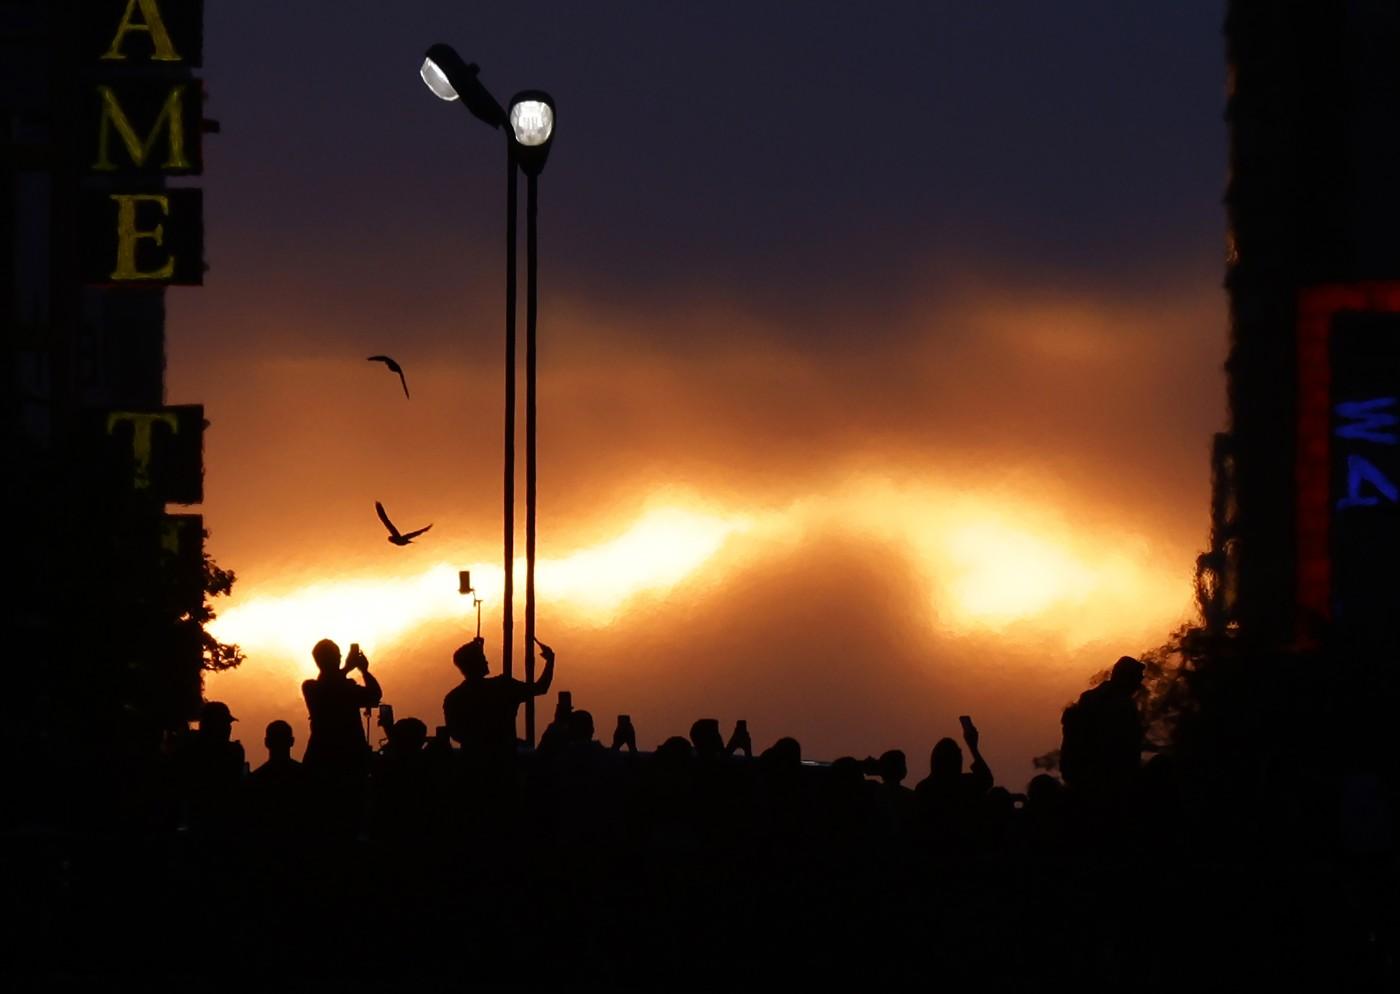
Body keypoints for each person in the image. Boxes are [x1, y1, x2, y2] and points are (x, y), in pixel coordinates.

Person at [442, 635, 555, 761]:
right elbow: (541, 688)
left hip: (473, 762)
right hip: (504, 760)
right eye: (483, 658)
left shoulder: (454, 697)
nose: (486, 661)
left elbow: (456, 734)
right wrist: (550, 661)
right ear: (476, 662)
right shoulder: (503, 686)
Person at [1059, 655, 1145, 800]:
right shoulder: (1121, 706)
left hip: (1086, 778)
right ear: (1127, 678)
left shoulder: (1090, 699)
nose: (1139, 683)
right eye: (1137, 678)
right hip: (1103, 780)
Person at [301, 639, 382, 779]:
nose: (340, 658)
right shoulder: (314, 687)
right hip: (345, 762)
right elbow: (374, 694)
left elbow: (374, 696)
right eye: (338, 655)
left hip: (323, 760)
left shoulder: (313, 688)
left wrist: (362, 670)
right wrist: (356, 669)